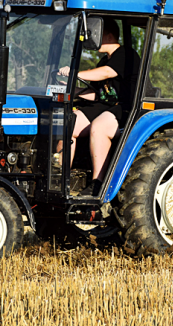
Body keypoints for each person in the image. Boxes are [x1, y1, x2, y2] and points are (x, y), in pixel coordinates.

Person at [57, 18, 140, 195]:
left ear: (108, 35)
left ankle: (98, 183)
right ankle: (59, 176)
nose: (91, 40)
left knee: (99, 127)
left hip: (126, 108)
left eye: (95, 34)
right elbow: (99, 93)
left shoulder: (125, 55)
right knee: (68, 122)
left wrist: (75, 73)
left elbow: (107, 73)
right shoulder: (104, 60)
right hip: (105, 105)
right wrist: (72, 91)